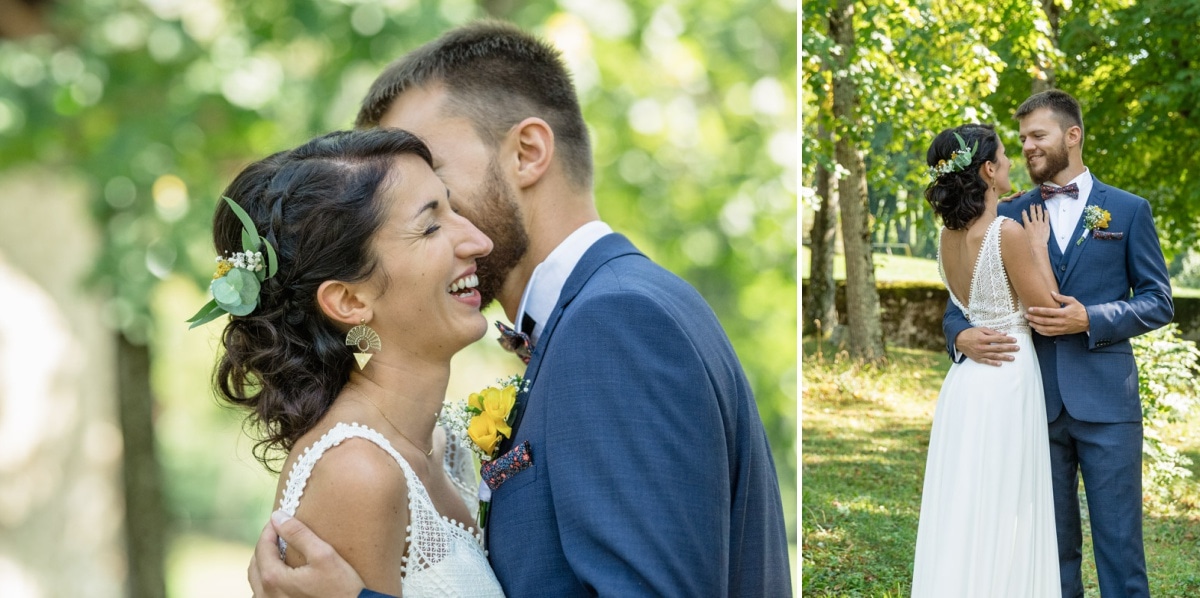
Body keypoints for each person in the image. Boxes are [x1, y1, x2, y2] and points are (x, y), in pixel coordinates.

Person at [249, 20, 792, 597]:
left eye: (441, 187)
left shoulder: (615, 325)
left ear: (528, 153)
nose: (465, 237)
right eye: (426, 217)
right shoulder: (616, 309)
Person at [199, 128, 503, 597]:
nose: (478, 241)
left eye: (454, 209)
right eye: (430, 226)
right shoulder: (357, 473)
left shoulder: (445, 443)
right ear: (348, 301)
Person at [945, 90, 1173, 597]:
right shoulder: (1004, 214)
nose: (1026, 147)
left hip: (1108, 403)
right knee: (1048, 549)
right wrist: (960, 335)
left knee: (1120, 546)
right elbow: (961, 300)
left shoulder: (1128, 211)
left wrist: (1089, 318)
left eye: (1037, 136)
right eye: (1021, 139)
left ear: (1073, 136)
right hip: (1029, 405)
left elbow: (1159, 300)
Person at [912, 123, 1061, 596]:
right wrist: (1037, 247)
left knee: (966, 500)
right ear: (988, 169)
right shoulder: (1007, 233)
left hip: (966, 383)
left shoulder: (946, 237)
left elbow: (963, 308)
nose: (1012, 162)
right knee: (1004, 501)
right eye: (1003, 155)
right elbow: (1046, 311)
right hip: (1007, 378)